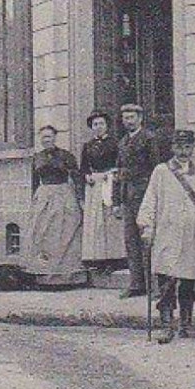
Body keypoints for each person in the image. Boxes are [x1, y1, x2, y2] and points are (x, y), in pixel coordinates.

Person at [136, 130, 195, 343]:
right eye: (180, 147)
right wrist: (146, 227)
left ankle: (187, 324)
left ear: (193, 147)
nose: (184, 151)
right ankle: (166, 325)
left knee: (188, 281)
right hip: (167, 233)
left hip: (192, 235)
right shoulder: (161, 171)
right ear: (172, 148)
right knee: (166, 280)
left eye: (188, 147)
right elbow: (150, 200)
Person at [26, 125, 87, 286]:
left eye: (49, 136)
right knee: (43, 232)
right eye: (44, 137)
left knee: (64, 232)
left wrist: (80, 199)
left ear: (55, 137)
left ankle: (66, 276)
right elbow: (34, 181)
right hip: (44, 195)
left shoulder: (66, 156)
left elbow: (76, 177)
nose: (46, 140)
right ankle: (44, 275)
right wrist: (34, 200)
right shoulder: (37, 157)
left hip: (63, 195)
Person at [116, 103, 161, 299]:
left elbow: (156, 169)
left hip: (145, 195)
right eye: (125, 118)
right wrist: (117, 200)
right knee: (131, 241)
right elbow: (119, 173)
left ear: (140, 119)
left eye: (132, 117)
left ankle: (155, 286)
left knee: (148, 240)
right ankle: (136, 284)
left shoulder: (149, 139)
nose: (128, 121)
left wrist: (155, 197)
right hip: (128, 196)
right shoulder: (122, 142)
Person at [79, 110, 123, 271]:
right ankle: (98, 259)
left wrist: (111, 175)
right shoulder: (88, 146)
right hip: (94, 185)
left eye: (101, 124)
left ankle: (115, 258)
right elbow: (83, 167)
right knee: (96, 222)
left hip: (110, 182)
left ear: (107, 126)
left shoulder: (115, 143)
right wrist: (87, 176)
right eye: (95, 124)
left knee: (110, 220)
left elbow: (119, 164)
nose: (98, 127)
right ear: (91, 127)